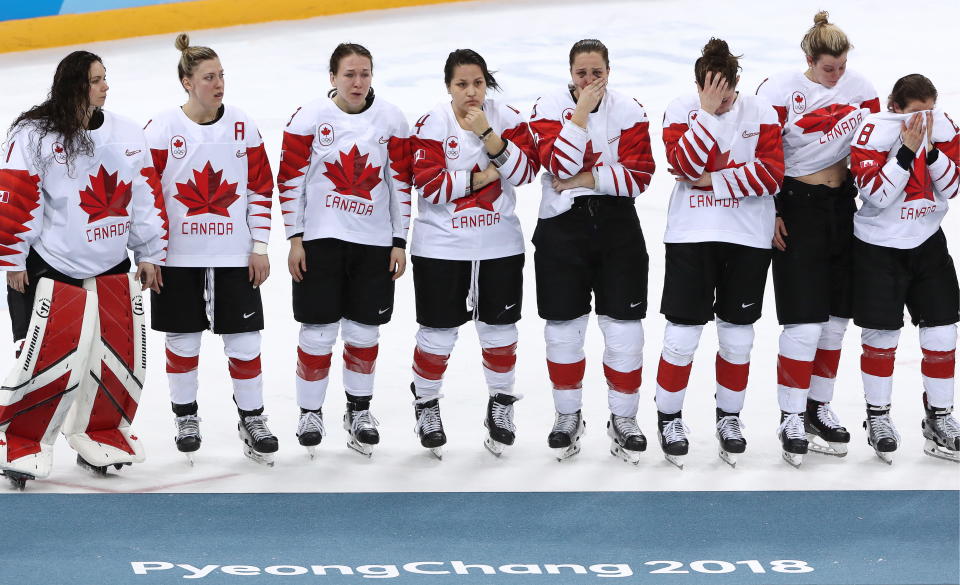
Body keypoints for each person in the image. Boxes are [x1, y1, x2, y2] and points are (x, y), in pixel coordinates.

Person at [0, 50, 166, 485]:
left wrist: (149, 252)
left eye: (105, 78)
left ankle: (101, 433)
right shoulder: (34, 137)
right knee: (47, 365)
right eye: (96, 80)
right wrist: (14, 260)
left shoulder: (127, 133)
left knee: (117, 361)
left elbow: (145, 197)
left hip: (112, 265)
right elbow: (17, 198)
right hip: (53, 267)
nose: (105, 87)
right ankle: (22, 439)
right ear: (74, 86)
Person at [144, 34, 277, 465]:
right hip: (177, 260)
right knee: (182, 343)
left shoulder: (243, 124)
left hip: (233, 257)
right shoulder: (162, 129)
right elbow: (145, 196)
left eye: (221, 75)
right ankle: (186, 418)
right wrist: (150, 252)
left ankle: (252, 419)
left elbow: (260, 188)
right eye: (208, 77)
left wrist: (259, 246)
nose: (219, 84)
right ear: (187, 81)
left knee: (245, 341)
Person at [756, 10, 880, 466]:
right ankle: (790, 414)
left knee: (834, 320)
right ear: (809, 58)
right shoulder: (777, 90)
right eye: (829, 68)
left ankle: (817, 407)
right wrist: (769, 210)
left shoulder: (862, 89)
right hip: (797, 207)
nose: (837, 75)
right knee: (804, 321)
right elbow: (761, 151)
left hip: (842, 208)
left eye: (842, 66)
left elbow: (871, 148)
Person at [277, 43, 410, 458]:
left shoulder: (392, 120)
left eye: (365, 73)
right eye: (349, 74)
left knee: (363, 332)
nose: (358, 82)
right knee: (317, 332)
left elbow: (400, 185)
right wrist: (294, 237)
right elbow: (290, 180)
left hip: (373, 244)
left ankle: (359, 411)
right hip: (320, 241)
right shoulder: (309, 119)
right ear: (332, 78)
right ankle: (310, 412)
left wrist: (399, 241)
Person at [655, 39, 784, 469]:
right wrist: (706, 115)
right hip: (691, 235)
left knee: (738, 337)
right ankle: (669, 418)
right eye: (712, 94)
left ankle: (729, 418)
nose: (723, 102)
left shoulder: (762, 112)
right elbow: (685, 167)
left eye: (727, 94)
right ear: (698, 85)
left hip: (748, 237)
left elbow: (771, 175)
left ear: (738, 83)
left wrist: (713, 180)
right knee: (681, 336)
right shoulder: (679, 109)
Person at [406, 48, 538, 458]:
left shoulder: (508, 119)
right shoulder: (431, 123)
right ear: (448, 86)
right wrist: (483, 174)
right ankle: (426, 403)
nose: (471, 92)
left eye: (478, 83)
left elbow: (527, 172)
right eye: (462, 84)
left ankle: (500, 405)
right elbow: (430, 186)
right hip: (440, 249)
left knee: (500, 333)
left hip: (499, 246)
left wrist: (487, 135)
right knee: (437, 334)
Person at [529, 39, 655, 463]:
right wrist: (581, 112)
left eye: (596, 73)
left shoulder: (631, 110)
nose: (589, 80)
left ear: (609, 70)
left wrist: (586, 181)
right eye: (581, 74)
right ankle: (568, 417)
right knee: (563, 330)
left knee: (624, 330)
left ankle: (624, 418)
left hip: (618, 227)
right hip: (561, 231)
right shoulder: (547, 107)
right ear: (570, 74)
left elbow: (640, 177)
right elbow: (557, 166)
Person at [849, 74, 959, 463]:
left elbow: (954, 187)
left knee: (943, 332)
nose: (924, 120)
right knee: (881, 336)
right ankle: (877, 417)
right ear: (895, 107)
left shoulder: (943, 126)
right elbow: (876, 194)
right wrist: (906, 151)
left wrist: (929, 151)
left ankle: (940, 417)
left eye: (928, 111)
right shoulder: (872, 131)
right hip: (879, 248)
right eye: (916, 113)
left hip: (928, 242)